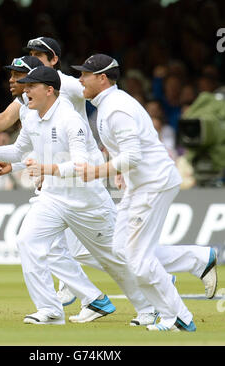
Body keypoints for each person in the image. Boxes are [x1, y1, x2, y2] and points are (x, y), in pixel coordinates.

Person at [0, 66, 158, 325]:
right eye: (25, 86)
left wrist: (49, 168)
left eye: (31, 86)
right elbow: (19, 150)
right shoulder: (31, 114)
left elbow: (81, 167)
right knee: (27, 241)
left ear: (49, 90)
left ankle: (150, 308)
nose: (25, 90)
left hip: (86, 200)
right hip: (53, 198)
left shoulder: (70, 119)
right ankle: (50, 310)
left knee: (114, 258)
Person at [72, 54, 217, 331]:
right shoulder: (109, 104)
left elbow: (134, 155)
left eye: (85, 75)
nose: (81, 79)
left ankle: (178, 317)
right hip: (142, 183)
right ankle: (198, 259)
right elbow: (128, 149)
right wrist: (118, 171)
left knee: (138, 260)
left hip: (154, 183)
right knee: (122, 252)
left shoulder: (116, 108)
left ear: (102, 78)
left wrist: (98, 172)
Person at [0, 37, 109, 308]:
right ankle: (89, 298)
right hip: (57, 181)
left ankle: (147, 274)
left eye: (38, 56)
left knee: (90, 250)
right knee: (56, 246)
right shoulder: (30, 104)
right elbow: (28, 141)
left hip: (81, 176)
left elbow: (104, 103)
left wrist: (112, 153)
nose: (15, 81)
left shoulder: (67, 86)